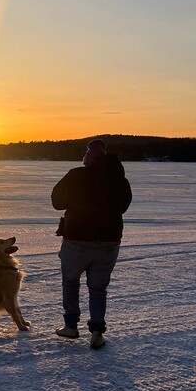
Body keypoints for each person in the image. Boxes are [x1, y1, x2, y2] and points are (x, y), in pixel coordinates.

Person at [51, 139, 132, 349]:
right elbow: (123, 207)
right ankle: (97, 332)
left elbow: (57, 202)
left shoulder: (76, 175)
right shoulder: (119, 179)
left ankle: (71, 326)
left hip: (77, 238)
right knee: (98, 289)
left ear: (88, 157)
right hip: (109, 241)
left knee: (70, 281)